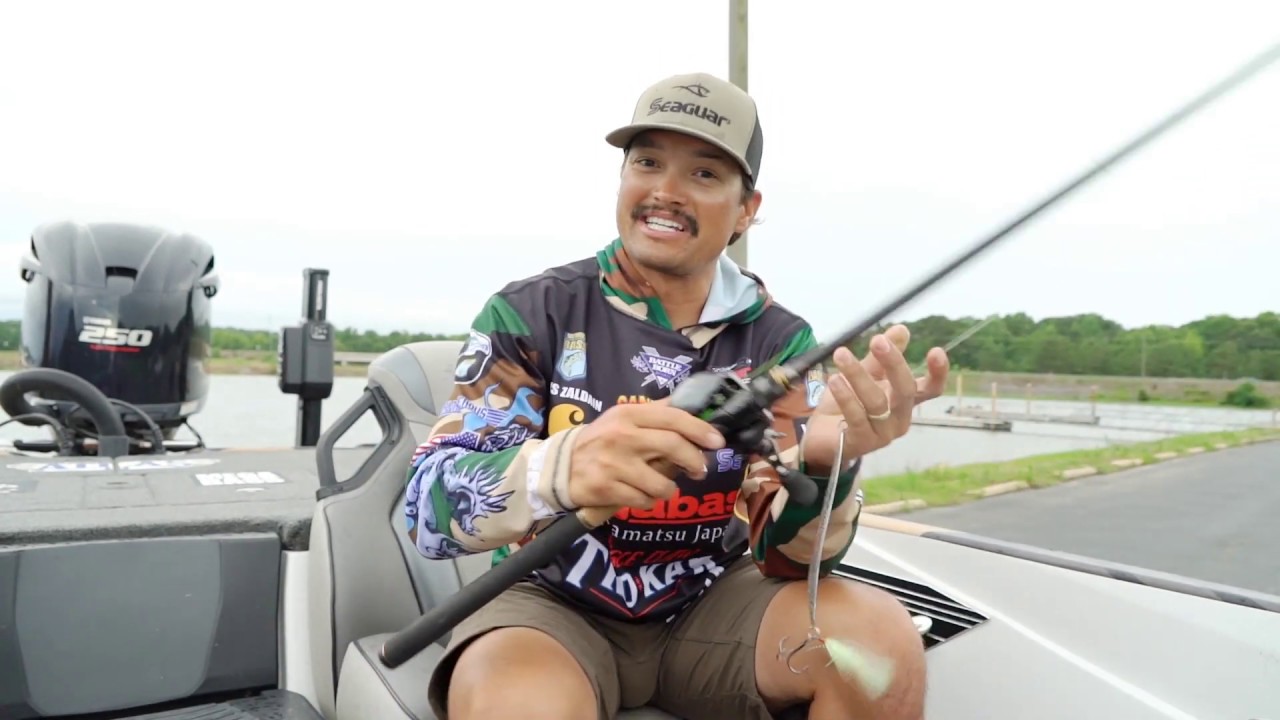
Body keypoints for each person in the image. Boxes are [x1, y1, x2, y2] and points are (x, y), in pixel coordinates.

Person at [404, 71, 950, 720]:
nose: (665, 190)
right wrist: (561, 467)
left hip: (715, 601)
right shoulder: (532, 311)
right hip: (547, 602)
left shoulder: (782, 341)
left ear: (746, 209)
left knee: (879, 647)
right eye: (647, 162)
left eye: (704, 173)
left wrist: (825, 467)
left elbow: (785, 558)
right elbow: (427, 511)